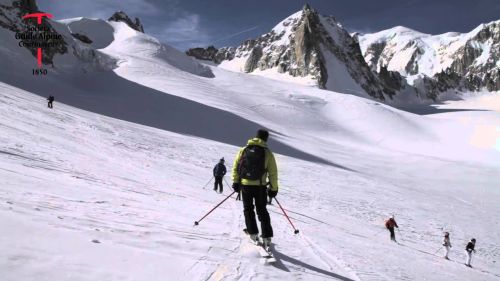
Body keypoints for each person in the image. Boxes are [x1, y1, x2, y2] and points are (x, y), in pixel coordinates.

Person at [232, 129, 278, 248]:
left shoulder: (244, 150)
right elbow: (273, 173)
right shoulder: (267, 153)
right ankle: (267, 237)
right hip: (260, 186)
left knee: (248, 209)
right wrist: (273, 189)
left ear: (255, 137)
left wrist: (236, 182)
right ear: (266, 139)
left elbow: (236, 166)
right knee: (262, 210)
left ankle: (253, 233)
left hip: (245, 185)